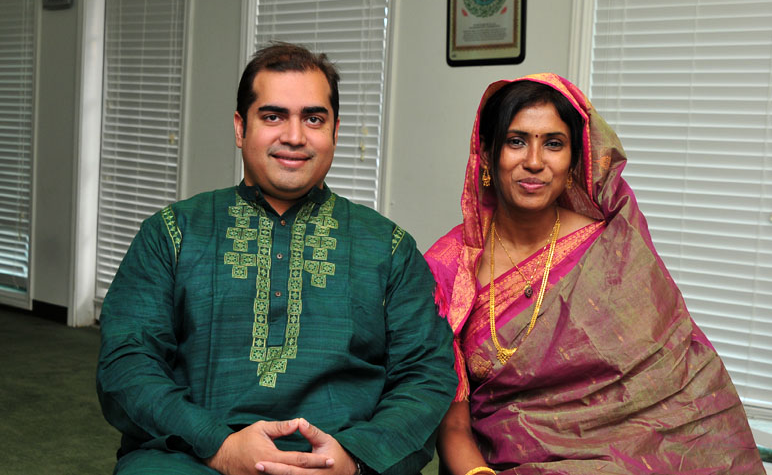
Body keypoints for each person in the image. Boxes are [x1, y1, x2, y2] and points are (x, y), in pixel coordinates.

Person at [97, 42, 456, 475]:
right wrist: (219, 445)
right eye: (273, 116)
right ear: (240, 128)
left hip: (340, 458)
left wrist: (354, 458)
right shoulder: (172, 233)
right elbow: (127, 363)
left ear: (335, 131)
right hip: (195, 456)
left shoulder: (388, 246)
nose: (294, 136)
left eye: (313, 118)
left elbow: (426, 375)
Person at [424, 73, 764, 475]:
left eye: (553, 143)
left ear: (573, 160)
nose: (534, 162)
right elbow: (453, 424)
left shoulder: (610, 247)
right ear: (487, 154)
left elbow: (675, 377)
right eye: (516, 141)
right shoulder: (449, 268)